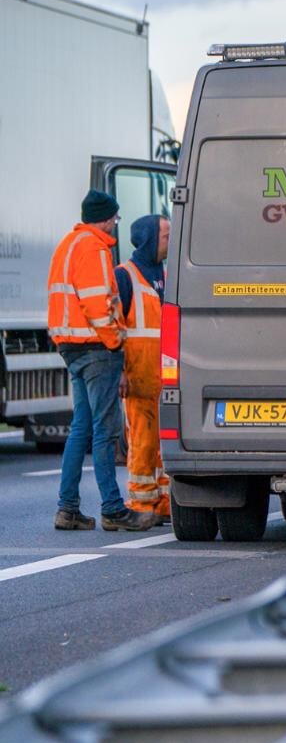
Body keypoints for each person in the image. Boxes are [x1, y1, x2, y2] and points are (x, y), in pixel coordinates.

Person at [47, 190, 160, 532]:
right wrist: (116, 343)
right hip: (97, 349)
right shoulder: (95, 248)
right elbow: (98, 304)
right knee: (105, 431)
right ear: (108, 218)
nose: (115, 225)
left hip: (71, 347)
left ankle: (68, 509)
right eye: (115, 219)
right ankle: (113, 509)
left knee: (80, 428)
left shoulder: (67, 243)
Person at [113, 214, 171, 521]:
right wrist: (120, 371)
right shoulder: (126, 275)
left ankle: (163, 502)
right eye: (165, 236)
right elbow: (116, 327)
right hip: (137, 376)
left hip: (164, 377)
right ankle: (140, 503)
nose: (170, 241)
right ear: (149, 238)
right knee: (142, 442)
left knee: (164, 444)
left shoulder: (165, 273)